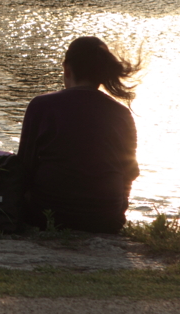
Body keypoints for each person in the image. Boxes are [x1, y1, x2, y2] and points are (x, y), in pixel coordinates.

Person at [17, 36, 140, 234]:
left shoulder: (41, 105)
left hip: (46, 215)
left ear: (67, 69)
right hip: (107, 220)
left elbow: (24, 165)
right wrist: (116, 208)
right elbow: (130, 172)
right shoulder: (122, 113)